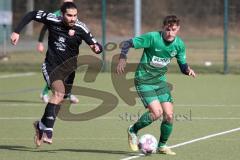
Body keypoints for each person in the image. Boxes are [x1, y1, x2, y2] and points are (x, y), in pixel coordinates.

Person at [11, 2, 102, 147]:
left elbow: (96, 46)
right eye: (69, 15)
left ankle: (41, 125)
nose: (73, 18)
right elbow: (31, 14)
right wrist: (16, 31)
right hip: (51, 66)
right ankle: (48, 130)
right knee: (59, 93)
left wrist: (97, 48)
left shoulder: (81, 27)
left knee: (61, 99)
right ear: (62, 14)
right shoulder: (53, 19)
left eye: (75, 15)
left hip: (69, 71)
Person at [116, 15, 196, 155]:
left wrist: (187, 70)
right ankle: (133, 130)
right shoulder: (152, 37)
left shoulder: (179, 44)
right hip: (144, 81)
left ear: (178, 29)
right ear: (163, 27)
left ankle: (162, 146)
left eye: (174, 30)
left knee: (169, 116)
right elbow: (127, 43)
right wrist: (122, 58)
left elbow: (182, 65)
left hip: (160, 82)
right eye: (168, 29)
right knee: (156, 113)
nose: (170, 33)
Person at [37, 0, 79, 104]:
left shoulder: (72, 14)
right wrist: (40, 42)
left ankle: (67, 93)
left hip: (68, 48)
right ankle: (45, 92)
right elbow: (44, 28)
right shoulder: (54, 15)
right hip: (57, 49)